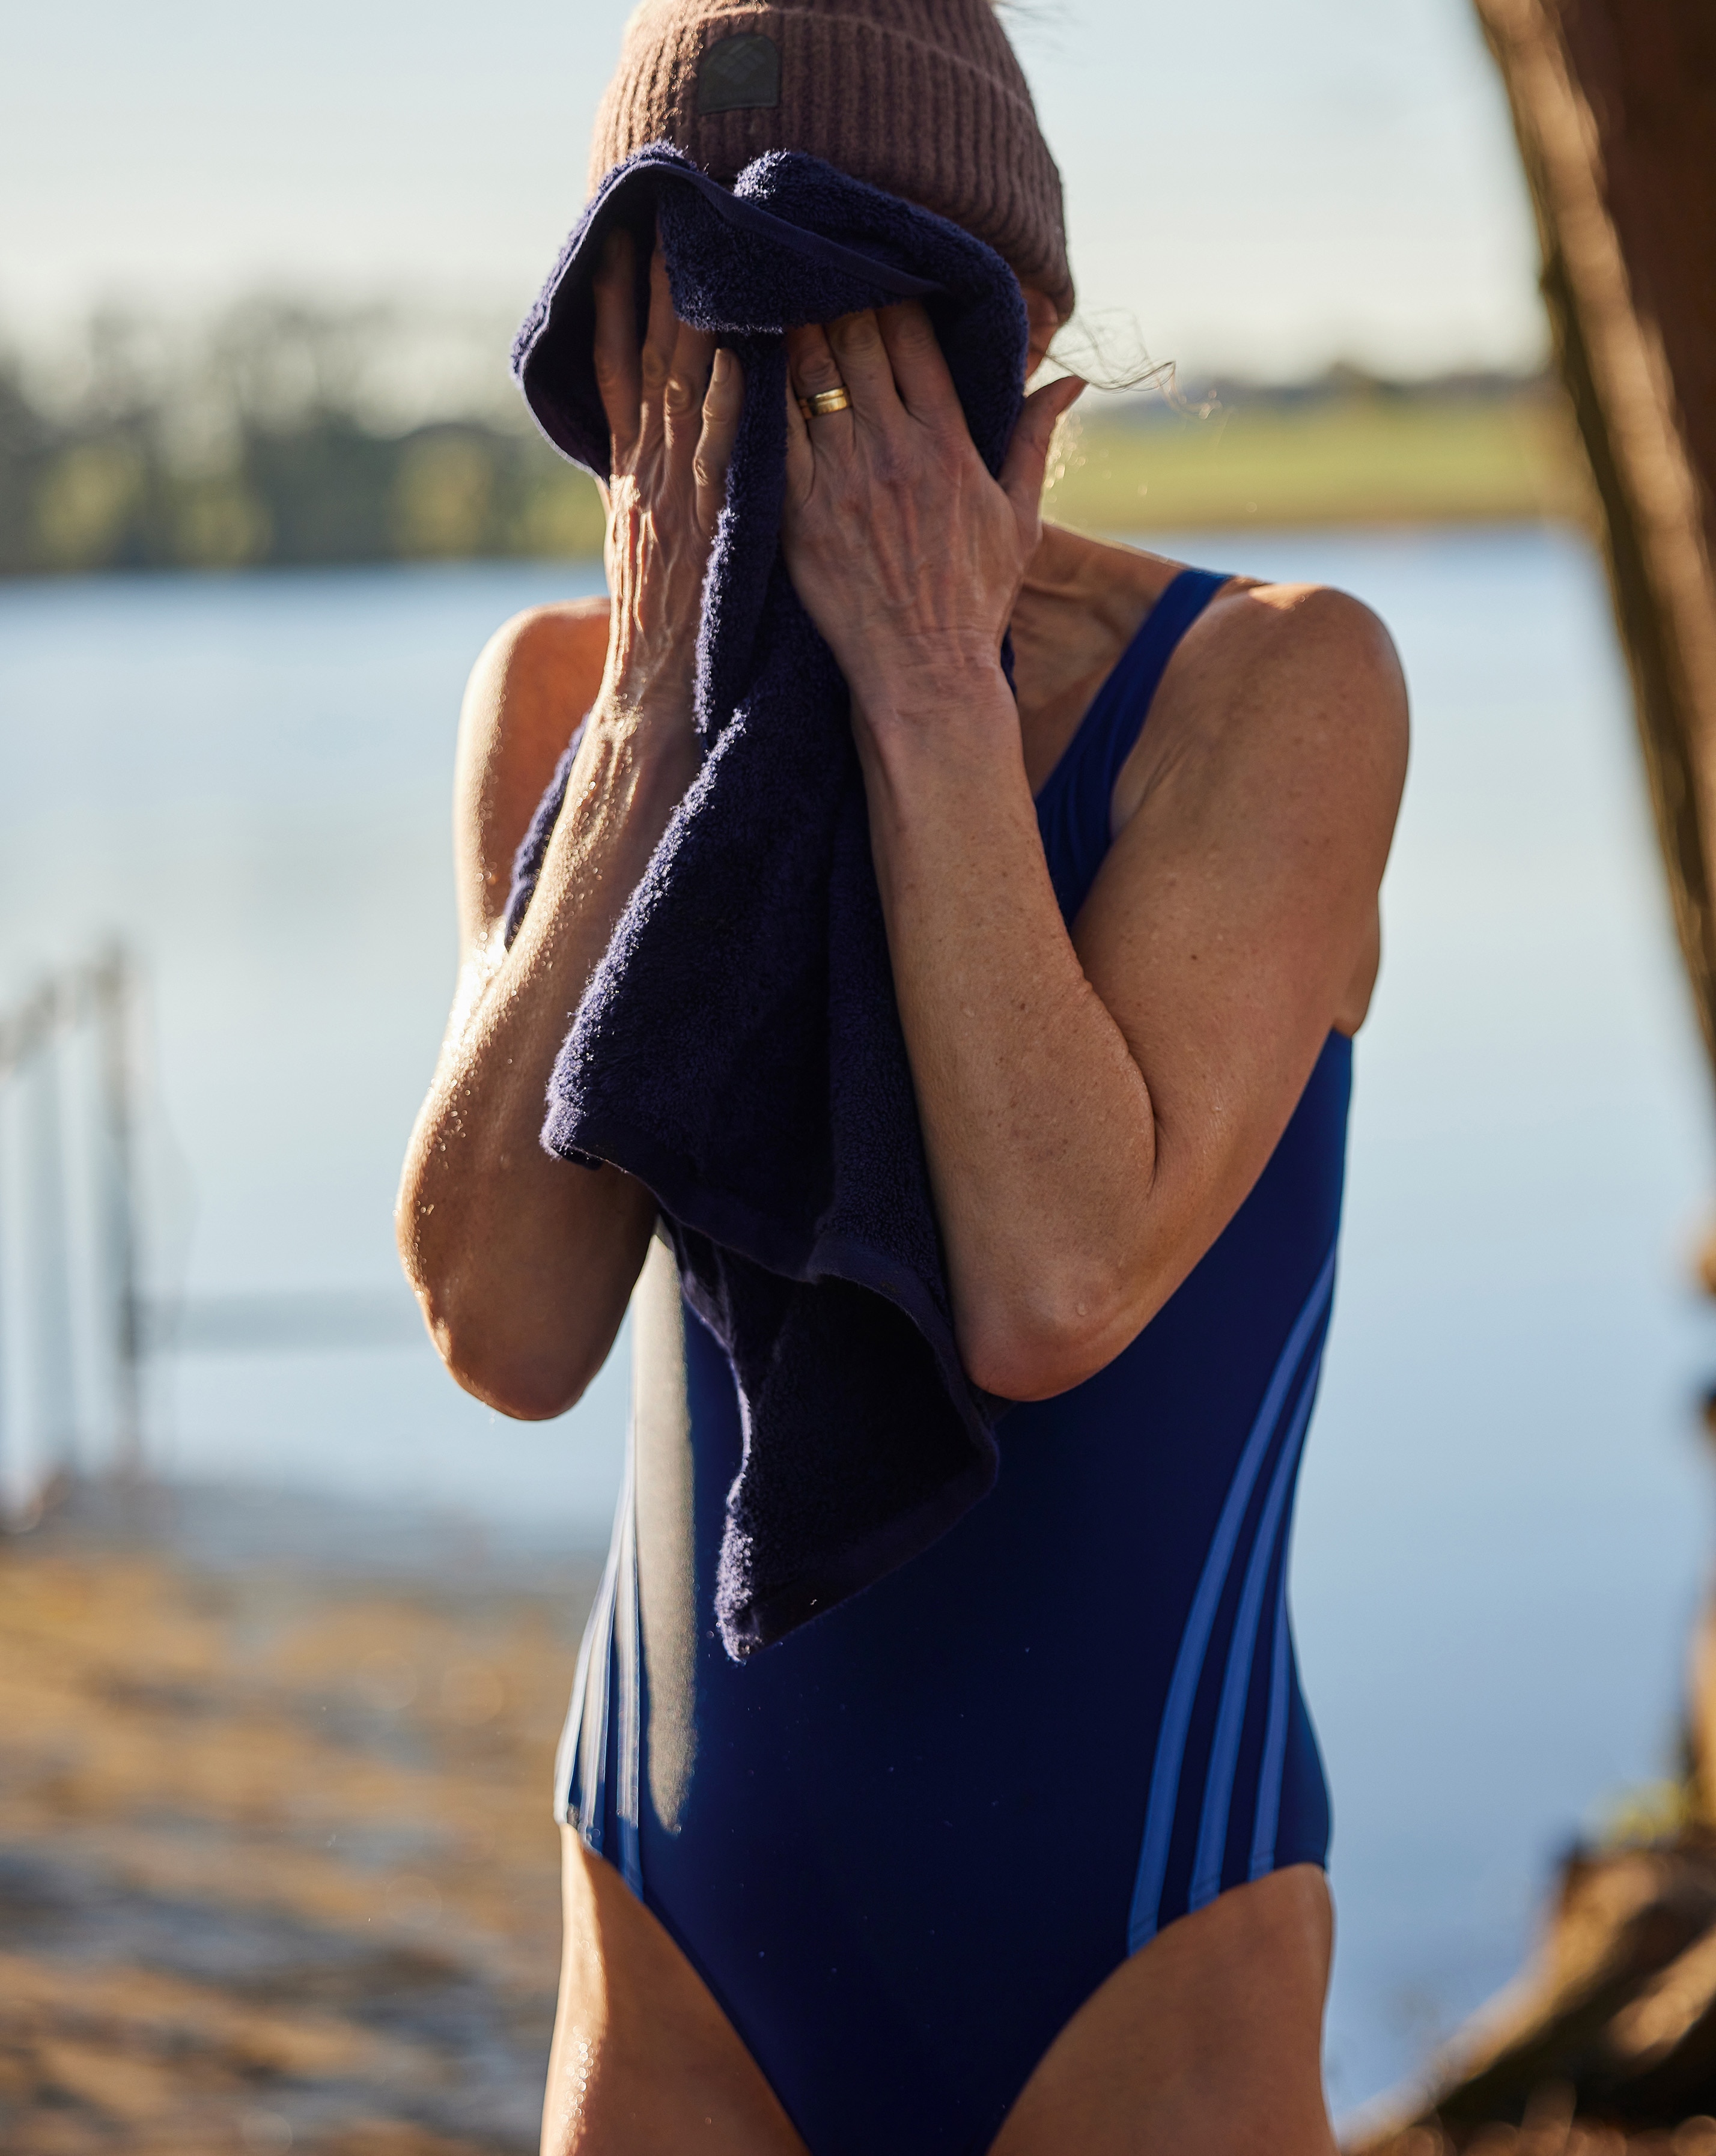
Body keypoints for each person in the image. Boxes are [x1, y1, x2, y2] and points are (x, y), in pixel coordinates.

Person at [398, 2, 1407, 2149]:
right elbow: (507, 1325)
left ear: (1019, 361)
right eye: (694, 346)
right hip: (674, 1939)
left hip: (1141, 1947)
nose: (770, 416)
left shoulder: (1272, 692)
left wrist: (932, 690)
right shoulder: (566, 699)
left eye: (847, 346)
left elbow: (1056, 1288)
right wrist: (662, 732)